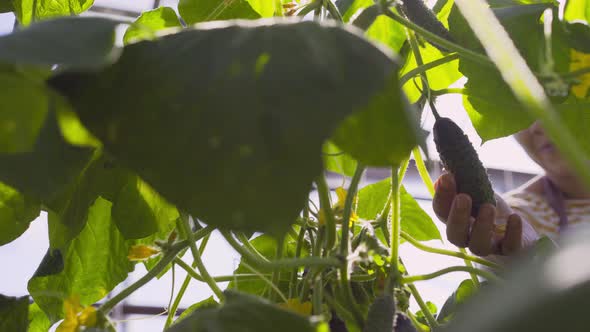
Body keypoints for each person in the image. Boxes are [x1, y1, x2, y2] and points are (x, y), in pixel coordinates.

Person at [432, 120, 590, 257]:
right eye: (521, 111)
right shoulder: (519, 212)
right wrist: (514, 259)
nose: (537, 126)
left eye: (555, 100)